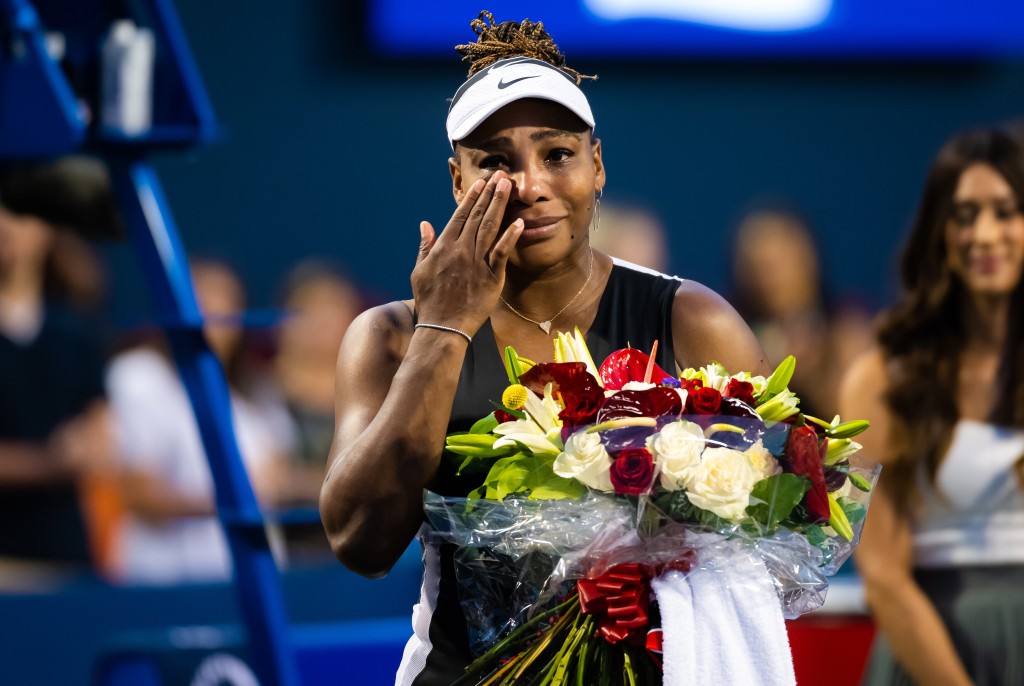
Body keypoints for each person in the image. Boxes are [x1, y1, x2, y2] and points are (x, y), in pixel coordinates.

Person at [319, 12, 769, 685]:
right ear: (456, 182)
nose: (529, 185)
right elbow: (362, 542)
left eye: (556, 154)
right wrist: (445, 329)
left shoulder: (695, 322)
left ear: (597, 165)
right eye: (496, 162)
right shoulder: (389, 337)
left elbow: (763, 546)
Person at [840, 128, 1024, 686]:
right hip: (933, 653)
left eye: (1006, 212)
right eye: (965, 215)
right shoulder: (884, 376)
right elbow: (883, 574)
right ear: (939, 233)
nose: (984, 234)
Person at [106, 258, 291, 584]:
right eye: (201, 296)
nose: (213, 311)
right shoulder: (139, 375)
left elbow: (276, 479)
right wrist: (241, 499)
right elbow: (140, 493)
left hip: (253, 582)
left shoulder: (254, 392)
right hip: (165, 584)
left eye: (224, 299)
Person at [0, 158, 117, 586]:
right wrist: (53, 460)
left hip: (68, 558)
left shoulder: (78, 333)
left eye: (20, 210)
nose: (8, 224)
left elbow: (100, 438)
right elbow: (69, 455)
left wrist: (88, 448)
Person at [731, 206, 873, 419]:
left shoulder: (848, 328)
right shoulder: (734, 332)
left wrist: (811, 375)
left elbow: (860, 423)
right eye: (756, 267)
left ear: (808, 258)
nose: (767, 280)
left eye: (777, 265)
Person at [269, 259, 363, 559]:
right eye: (312, 310)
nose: (325, 324)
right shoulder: (256, 393)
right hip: (285, 549)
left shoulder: (376, 392)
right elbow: (270, 479)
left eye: (335, 310)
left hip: (364, 549)